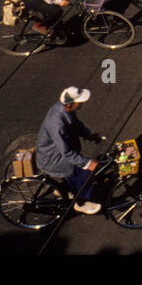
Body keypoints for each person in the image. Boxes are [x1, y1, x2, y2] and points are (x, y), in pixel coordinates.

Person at [36, 87, 104, 215]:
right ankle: (81, 202)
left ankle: (65, 188)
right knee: (85, 173)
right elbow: (67, 154)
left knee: (82, 166)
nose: (82, 104)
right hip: (53, 159)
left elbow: (75, 124)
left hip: (56, 153)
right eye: (80, 102)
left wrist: (88, 135)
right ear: (71, 104)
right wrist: (88, 164)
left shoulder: (63, 109)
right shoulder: (57, 124)